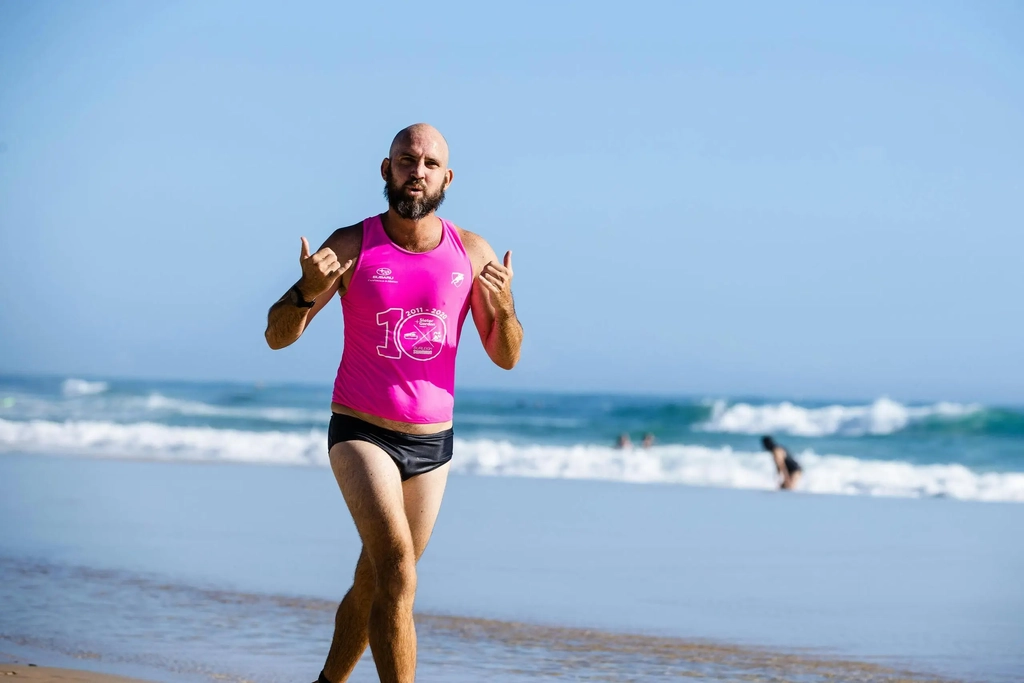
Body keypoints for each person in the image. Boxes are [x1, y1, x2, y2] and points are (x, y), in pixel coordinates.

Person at [264, 123, 524, 683]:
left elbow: (506, 356)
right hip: (362, 432)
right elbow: (277, 334)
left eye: (430, 164)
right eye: (407, 161)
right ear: (387, 170)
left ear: (447, 178)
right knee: (399, 573)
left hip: (433, 443)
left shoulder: (470, 252)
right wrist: (309, 289)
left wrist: (503, 309)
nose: (418, 172)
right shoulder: (352, 244)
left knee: (376, 581)